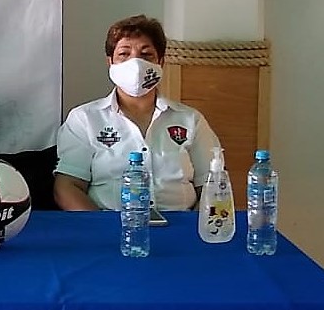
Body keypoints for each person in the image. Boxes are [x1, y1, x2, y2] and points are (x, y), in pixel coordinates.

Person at [54, 15, 221, 211]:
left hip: (181, 222)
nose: (136, 63)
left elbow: (213, 186)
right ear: (110, 62)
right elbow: (67, 188)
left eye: (146, 54)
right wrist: (101, 226)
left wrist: (197, 225)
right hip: (110, 222)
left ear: (161, 62)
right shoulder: (85, 119)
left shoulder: (191, 120)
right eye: (124, 54)